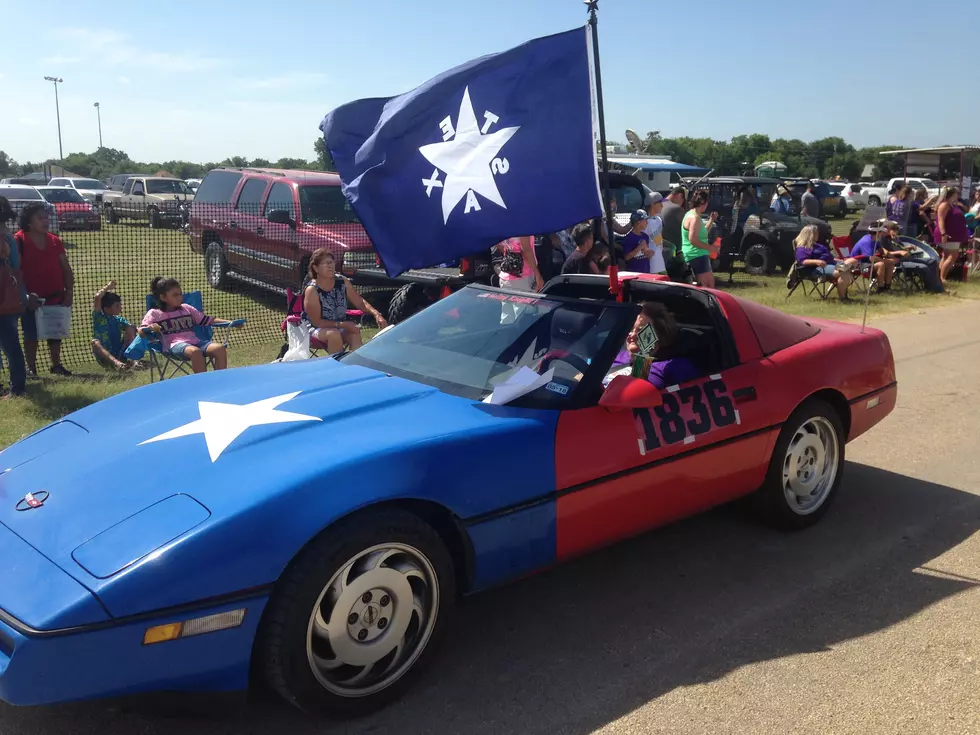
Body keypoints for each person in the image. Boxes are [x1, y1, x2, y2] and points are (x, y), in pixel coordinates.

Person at [14, 203, 74, 377]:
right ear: (29, 222)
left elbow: (66, 269)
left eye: (46, 217)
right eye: (40, 218)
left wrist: (69, 292)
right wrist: (24, 295)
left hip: (56, 296)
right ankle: (31, 368)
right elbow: (15, 272)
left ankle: (56, 365)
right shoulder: (19, 240)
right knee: (31, 333)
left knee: (55, 333)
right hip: (32, 299)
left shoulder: (55, 240)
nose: (45, 221)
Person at [141, 276, 243, 373]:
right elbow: (141, 331)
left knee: (219, 349)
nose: (180, 297)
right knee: (195, 352)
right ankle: (203, 385)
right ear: (163, 297)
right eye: (175, 295)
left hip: (195, 341)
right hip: (173, 346)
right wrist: (150, 328)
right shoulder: (155, 313)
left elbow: (207, 320)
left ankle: (219, 382)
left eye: (180, 294)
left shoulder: (186, 308)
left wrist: (230, 323)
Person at [301, 249, 387, 353]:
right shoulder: (312, 290)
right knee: (334, 334)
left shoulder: (342, 281)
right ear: (316, 268)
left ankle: (355, 365)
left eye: (332, 262)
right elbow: (317, 322)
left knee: (354, 331)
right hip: (313, 329)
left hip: (337, 326)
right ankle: (336, 367)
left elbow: (359, 301)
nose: (330, 266)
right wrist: (343, 325)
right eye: (326, 263)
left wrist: (376, 314)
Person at [604, 302, 701, 390]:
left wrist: (643, 355)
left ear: (659, 334)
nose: (632, 335)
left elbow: (635, 392)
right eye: (630, 329)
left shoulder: (673, 366)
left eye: (641, 330)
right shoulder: (616, 356)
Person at [0, 197, 27, 398]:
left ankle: (17, 388)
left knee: (10, 344)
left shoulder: (2, 236)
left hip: (4, 297)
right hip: (11, 295)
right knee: (11, 343)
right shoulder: (6, 233)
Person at [794, 224, 852, 299]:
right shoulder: (803, 248)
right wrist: (817, 261)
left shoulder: (818, 246)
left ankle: (843, 296)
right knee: (843, 271)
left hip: (831, 264)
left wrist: (840, 260)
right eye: (816, 233)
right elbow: (803, 261)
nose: (818, 234)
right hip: (817, 268)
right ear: (811, 235)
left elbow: (830, 258)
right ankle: (843, 297)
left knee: (848, 267)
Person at [846, 221, 907, 291]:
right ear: (879, 232)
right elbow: (871, 258)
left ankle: (887, 287)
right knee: (881, 264)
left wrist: (891, 257)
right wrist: (885, 260)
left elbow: (881, 249)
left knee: (891, 263)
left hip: (867, 263)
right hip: (859, 265)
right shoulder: (866, 241)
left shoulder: (874, 239)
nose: (882, 234)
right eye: (881, 232)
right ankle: (880, 288)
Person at [91, 280, 137, 370]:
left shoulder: (118, 320)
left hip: (120, 353)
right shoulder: (99, 318)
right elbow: (97, 297)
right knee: (95, 343)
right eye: (117, 306)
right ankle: (118, 364)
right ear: (106, 308)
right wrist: (107, 287)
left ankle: (134, 360)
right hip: (105, 358)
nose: (120, 308)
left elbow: (133, 329)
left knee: (131, 328)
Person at [681, 191, 720, 287]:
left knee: (707, 286)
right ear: (704, 203)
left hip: (696, 255)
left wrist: (711, 220)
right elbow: (693, 239)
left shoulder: (691, 214)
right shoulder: (695, 218)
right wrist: (710, 248)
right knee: (707, 287)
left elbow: (703, 233)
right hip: (697, 256)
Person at [933, 186, 969, 284]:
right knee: (953, 255)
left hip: (954, 234)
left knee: (946, 255)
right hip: (948, 234)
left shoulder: (951, 205)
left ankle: (939, 277)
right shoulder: (944, 205)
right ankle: (942, 277)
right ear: (951, 194)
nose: (957, 195)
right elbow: (941, 220)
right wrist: (943, 233)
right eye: (956, 193)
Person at [643, 192, 667, 275]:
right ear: (653, 204)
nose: (662, 206)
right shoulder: (645, 222)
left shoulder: (658, 219)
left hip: (659, 260)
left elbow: (659, 241)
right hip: (651, 263)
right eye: (660, 203)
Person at [660, 186, 687, 252]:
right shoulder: (676, 209)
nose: (682, 204)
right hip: (672, 253)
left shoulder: (657, 206)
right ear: (680, 196)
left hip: (657, 248)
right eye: (683, 201)